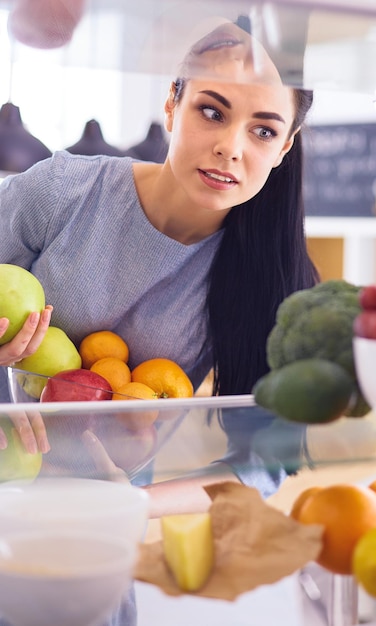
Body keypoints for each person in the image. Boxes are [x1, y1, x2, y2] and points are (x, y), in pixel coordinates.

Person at [0, 17, 319, 626]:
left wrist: (133, 504)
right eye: (212, 111)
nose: (231, 146)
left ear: (284, 150)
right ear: (171, 106)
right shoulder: (63, 192)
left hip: (102, 540)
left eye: (263, 130)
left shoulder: (274, 278)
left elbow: (264, 463)